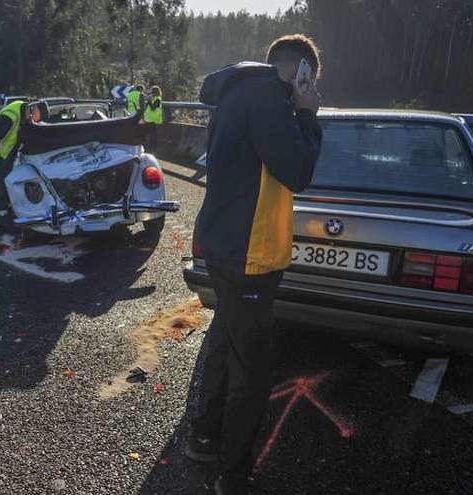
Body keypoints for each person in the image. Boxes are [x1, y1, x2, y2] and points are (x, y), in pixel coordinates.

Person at [186, 34, 323, 495]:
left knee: (225, 343)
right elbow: (299, 172)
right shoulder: (269, 100)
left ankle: (204, 436)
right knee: (253, 369)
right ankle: (234, 473)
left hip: (225, 246)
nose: (310, 88)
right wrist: (307, 113)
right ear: (301, 72)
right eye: (310, 81)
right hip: (250, 256)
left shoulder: (237, 94)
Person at [0, 100, 47, 233]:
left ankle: (11, 215)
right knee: (0, 188)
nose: (36, 122)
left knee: (8, 186)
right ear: (35, 110)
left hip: (6, 156)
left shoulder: (23, 112)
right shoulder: (10, 116)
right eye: (38, 119)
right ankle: (3, 223)